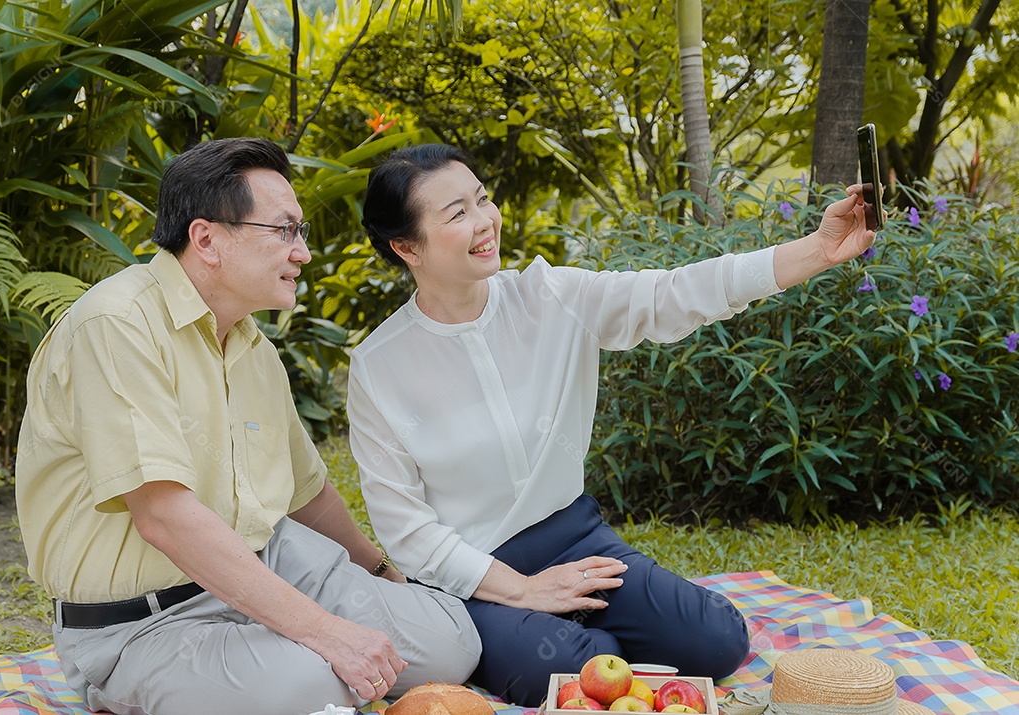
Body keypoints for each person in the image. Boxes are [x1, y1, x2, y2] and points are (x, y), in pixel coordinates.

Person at [348, 143, 880, 706]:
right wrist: (524, 590)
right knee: (559, 676)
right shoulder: (379, 366)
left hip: (573, 536)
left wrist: (819, 250)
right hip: (475, 579)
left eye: (482, 199)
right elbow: (406, 531)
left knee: (719, 643)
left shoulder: (550, 296)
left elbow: (676, 293)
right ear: (407, 247)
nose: (485, 222)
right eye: (457, 214)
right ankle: (568, 639)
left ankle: (602, 630)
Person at [15, 138, 481, 715]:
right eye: (285, 231)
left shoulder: (250, 342)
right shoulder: (116, 325)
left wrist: (383, 573)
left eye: (300, 231)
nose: (303, 253)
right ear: (208, 239)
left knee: (450, 641)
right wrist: (327, 633)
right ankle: (183, 676)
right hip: (143, 619)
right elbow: (162, 514)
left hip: (269, 560)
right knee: (315, 680)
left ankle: (280, 640)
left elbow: (307, 494)